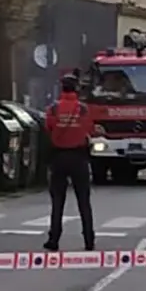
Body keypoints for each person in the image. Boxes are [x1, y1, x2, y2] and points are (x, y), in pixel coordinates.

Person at [43, 73, 95, 252]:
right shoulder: (83, 109)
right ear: (77, 89)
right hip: (79, 157)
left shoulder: (53, 109)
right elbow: (90, 129)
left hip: (59, 157)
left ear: (62, 88)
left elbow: (48, 128)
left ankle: (54, 239)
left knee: (57, 201)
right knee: (84, 201)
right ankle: (89, 239)